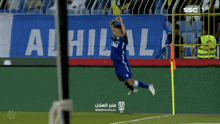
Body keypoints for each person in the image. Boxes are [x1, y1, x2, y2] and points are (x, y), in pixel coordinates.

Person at [109, 17, 155, 96]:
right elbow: (111, 24)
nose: (113, 31)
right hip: (116, 63)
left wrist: (121, 22)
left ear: (120, 31)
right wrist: (114, 20)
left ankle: (149, 87)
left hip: (122, 63)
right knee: (120, 78)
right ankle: (133, 90)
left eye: (115, 30)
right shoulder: (114, 38)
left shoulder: (122, 39)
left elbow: (124, 32)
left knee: (131, 82)